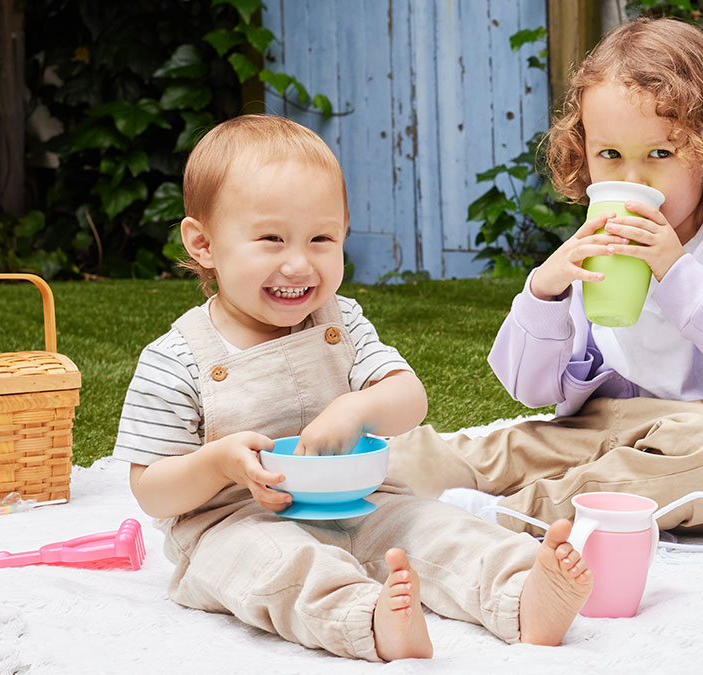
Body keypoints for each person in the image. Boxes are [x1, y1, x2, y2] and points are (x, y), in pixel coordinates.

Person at [112, 115, 593, 662]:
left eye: (322, 238)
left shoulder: (340, 323)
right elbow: (151, 488)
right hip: (238, 519)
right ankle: (366, 620)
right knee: (276, 567)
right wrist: (220, 463)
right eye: (271, 239)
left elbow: (411, 400)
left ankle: (524, 593)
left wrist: (356, 405)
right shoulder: (178, 359)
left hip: (360, 500)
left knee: (436, 528)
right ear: (202, 243)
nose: (299, 262)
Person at [387, 18, 703, 542]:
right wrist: (545, 291)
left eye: (660, 155)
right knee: (497, 446)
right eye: (610, 156)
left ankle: (514, 515)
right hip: (609, 430)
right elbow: (529, 389)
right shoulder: (595, 251)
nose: (631, 180)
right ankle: (343, 478)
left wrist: (678, 272)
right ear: (585, 154)